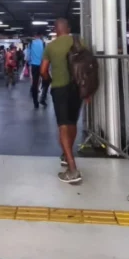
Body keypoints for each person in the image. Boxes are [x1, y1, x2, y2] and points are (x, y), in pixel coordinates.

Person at [41, 18, 84, 184]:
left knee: (63, 126)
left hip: (60, 88)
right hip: (78, 88)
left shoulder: (51, 46)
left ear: (55, 30)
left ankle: (72, 168)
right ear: (69, 28)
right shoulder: (80, 41)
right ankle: (67, 155)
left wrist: (51, 80)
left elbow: (44, 70)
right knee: (72, 123)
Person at [29, 32, 49, 109]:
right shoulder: (43, 43)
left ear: (34, 35)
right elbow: (46, 54)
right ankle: (43, 98)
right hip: (42, 65)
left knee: (35, 83)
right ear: (40, 35)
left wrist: (30, 61)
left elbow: (28, 56)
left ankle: (35, 102)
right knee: (47, 81)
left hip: (34, 66)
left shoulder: (31, 43)